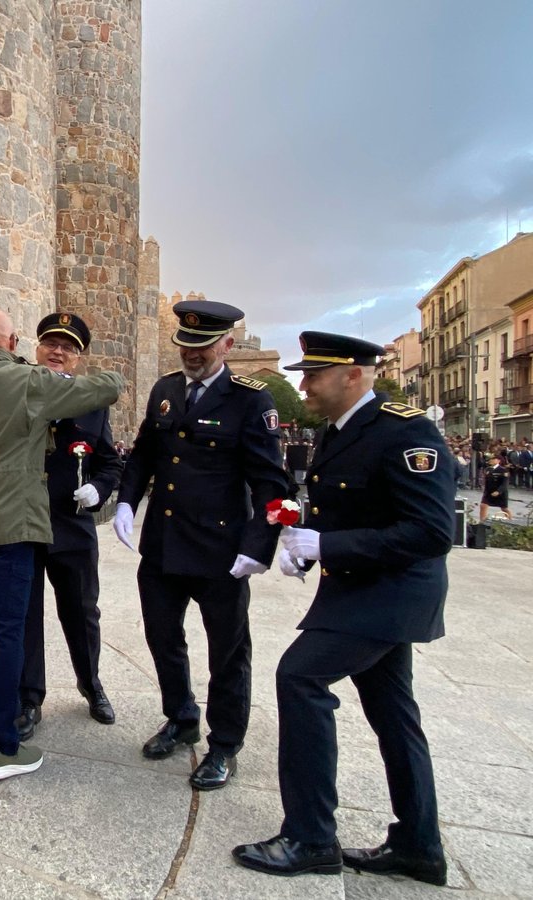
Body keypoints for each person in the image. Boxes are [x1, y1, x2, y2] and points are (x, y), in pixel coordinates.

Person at [233, 332, 454, 884]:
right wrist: (310, 544)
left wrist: (328, 546)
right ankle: (419, 845)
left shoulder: (407, 432)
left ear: (354, 375)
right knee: (393, 712)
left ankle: (310, 837)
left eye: (314, 374)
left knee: (301, 677)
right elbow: (352, 508)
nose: (302, 384)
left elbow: (430, 532)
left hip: (391, 594)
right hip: (360, 590)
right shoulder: (338, 432)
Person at [0, 309, 123, 781]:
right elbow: (111, 383)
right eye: (50, 342)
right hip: (19, 527)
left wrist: (101, 488)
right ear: (19, 343)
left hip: (51, 528)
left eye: (69, 347)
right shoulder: (30, 381)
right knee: (15, 628)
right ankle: (10, 729)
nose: (58, 351)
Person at [113, 300, 289, 791]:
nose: (192, 355)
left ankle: (225, 744)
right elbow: (146, 452)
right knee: (162, 637)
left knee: (227, 652)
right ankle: (181, 717)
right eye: (186, 345)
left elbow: (270, 482)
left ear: (227, 345)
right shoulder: (166, 389)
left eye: (203, 346)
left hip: (220, 552)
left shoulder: (251, 400)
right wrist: (127, 501)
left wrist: (259, 546)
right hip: (165, 545)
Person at [480, 454, 512, 520]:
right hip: (489, 492)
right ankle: (482, 521)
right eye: (490, 459)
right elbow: (486, 480)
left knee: (504, 508)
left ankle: (510, 520)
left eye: (493, 459)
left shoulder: (503, 470)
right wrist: (484, 488)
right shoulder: (488, 469)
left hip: (500, 492)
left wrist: (498, 491)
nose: (491, 460)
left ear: (498, 461)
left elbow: (505, 483)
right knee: (483, 505)